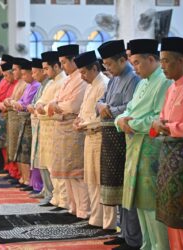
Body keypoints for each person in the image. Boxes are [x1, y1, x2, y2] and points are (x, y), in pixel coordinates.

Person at [115, 39, 171, 250]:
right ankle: (146, 245)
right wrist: (120, 121)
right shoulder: (142, 82)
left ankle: (159, 246)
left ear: (151, 59)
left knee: (151, 204)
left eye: (137, 62)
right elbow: (126, 111)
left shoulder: (164, 82)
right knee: (139, 201)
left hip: (151, 149)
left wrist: (130, 124)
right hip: (135, 146)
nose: (134, 68)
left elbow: (159, 118)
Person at [151, 37, 183, 250]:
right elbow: (160, 121)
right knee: (171, 215)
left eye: (166, 61)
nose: (162, 66)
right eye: (161, 61)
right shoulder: (171, 88)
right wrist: (158, 125)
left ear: (181, 60)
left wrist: (168, 127)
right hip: (167, 156)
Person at [97, 40, 142, 250]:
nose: (107, 69)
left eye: (110, 64)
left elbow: (130, 107)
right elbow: (101, 100)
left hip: (124, 140)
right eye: (105, 65)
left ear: (123, 60)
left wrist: (110, 110)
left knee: (127, 189)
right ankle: (123, 233)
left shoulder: (133, 78)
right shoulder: (114, 79)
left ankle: (133, 239)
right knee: (117, 190)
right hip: (111, 139)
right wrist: (103, 106)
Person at [73, 51, 114, 232]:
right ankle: (96, 219)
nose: (81, 77)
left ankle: (109, 223)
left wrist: (85, 123)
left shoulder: (103, 84)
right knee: (91, 178)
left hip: (100, 137)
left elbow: (103, 116)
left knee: (102, 180)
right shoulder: (90, 85)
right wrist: (78, 120)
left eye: (83, 72)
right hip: (89, 136)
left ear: (95, 68)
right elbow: (84, 109)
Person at [48, 44, 89, 219]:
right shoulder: (68, 78)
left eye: (64, 62)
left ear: (74, 60)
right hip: (63, 128)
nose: (63, 66)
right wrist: (56, 105)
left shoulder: (81, 78)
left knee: (78, 173)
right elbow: (56, 101)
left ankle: (84, 210)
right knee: (67, 173)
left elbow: (73, 105)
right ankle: (73, 207)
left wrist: (56, 106)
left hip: (74, 129)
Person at [36, 51, 67, 207]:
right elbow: (41, 101)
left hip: (56, 128)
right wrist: (40, 105)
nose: (45, 72)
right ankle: (55, 197)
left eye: (47, 68)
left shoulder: (63, 82)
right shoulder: (50, 82)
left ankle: (62, 200)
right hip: (46, 128)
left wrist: (44, 107)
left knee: (57, 166)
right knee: (49, 165)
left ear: (56, 66)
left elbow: (58, 105)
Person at [13, 59, 41, 188]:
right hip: (25, 120)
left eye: (26, 74)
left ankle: (31, 181)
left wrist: (18, 104)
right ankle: (25, 178)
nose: (24, 77)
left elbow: (26, 103)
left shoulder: (35, 85)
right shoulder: (29, 85)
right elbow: (22, 101)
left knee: (28, 151)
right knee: (23, 151)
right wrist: (18, 103)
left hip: (30, 122)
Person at [27, 58, 49, 193]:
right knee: (38, 157)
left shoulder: (49, 84)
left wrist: (34, 107)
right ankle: (43, 189)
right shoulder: (42, 85)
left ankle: (46, 190)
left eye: (35, 73)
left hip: (46, 126)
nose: (33, 76)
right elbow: (36, 103)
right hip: (38, 125)